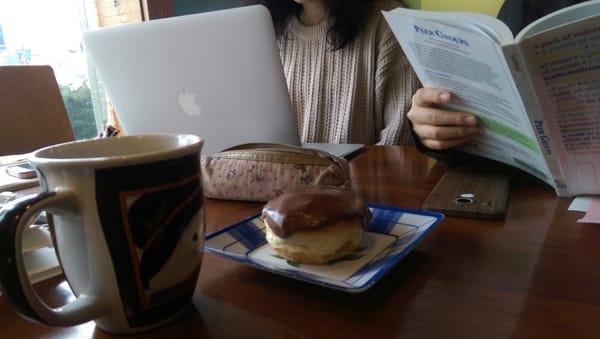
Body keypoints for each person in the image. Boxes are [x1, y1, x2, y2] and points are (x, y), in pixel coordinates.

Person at [249, 0, 420, 145]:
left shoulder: (389, 21)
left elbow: (399, 140)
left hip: (359, 182)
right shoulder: (265, 27)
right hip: (277, 180)